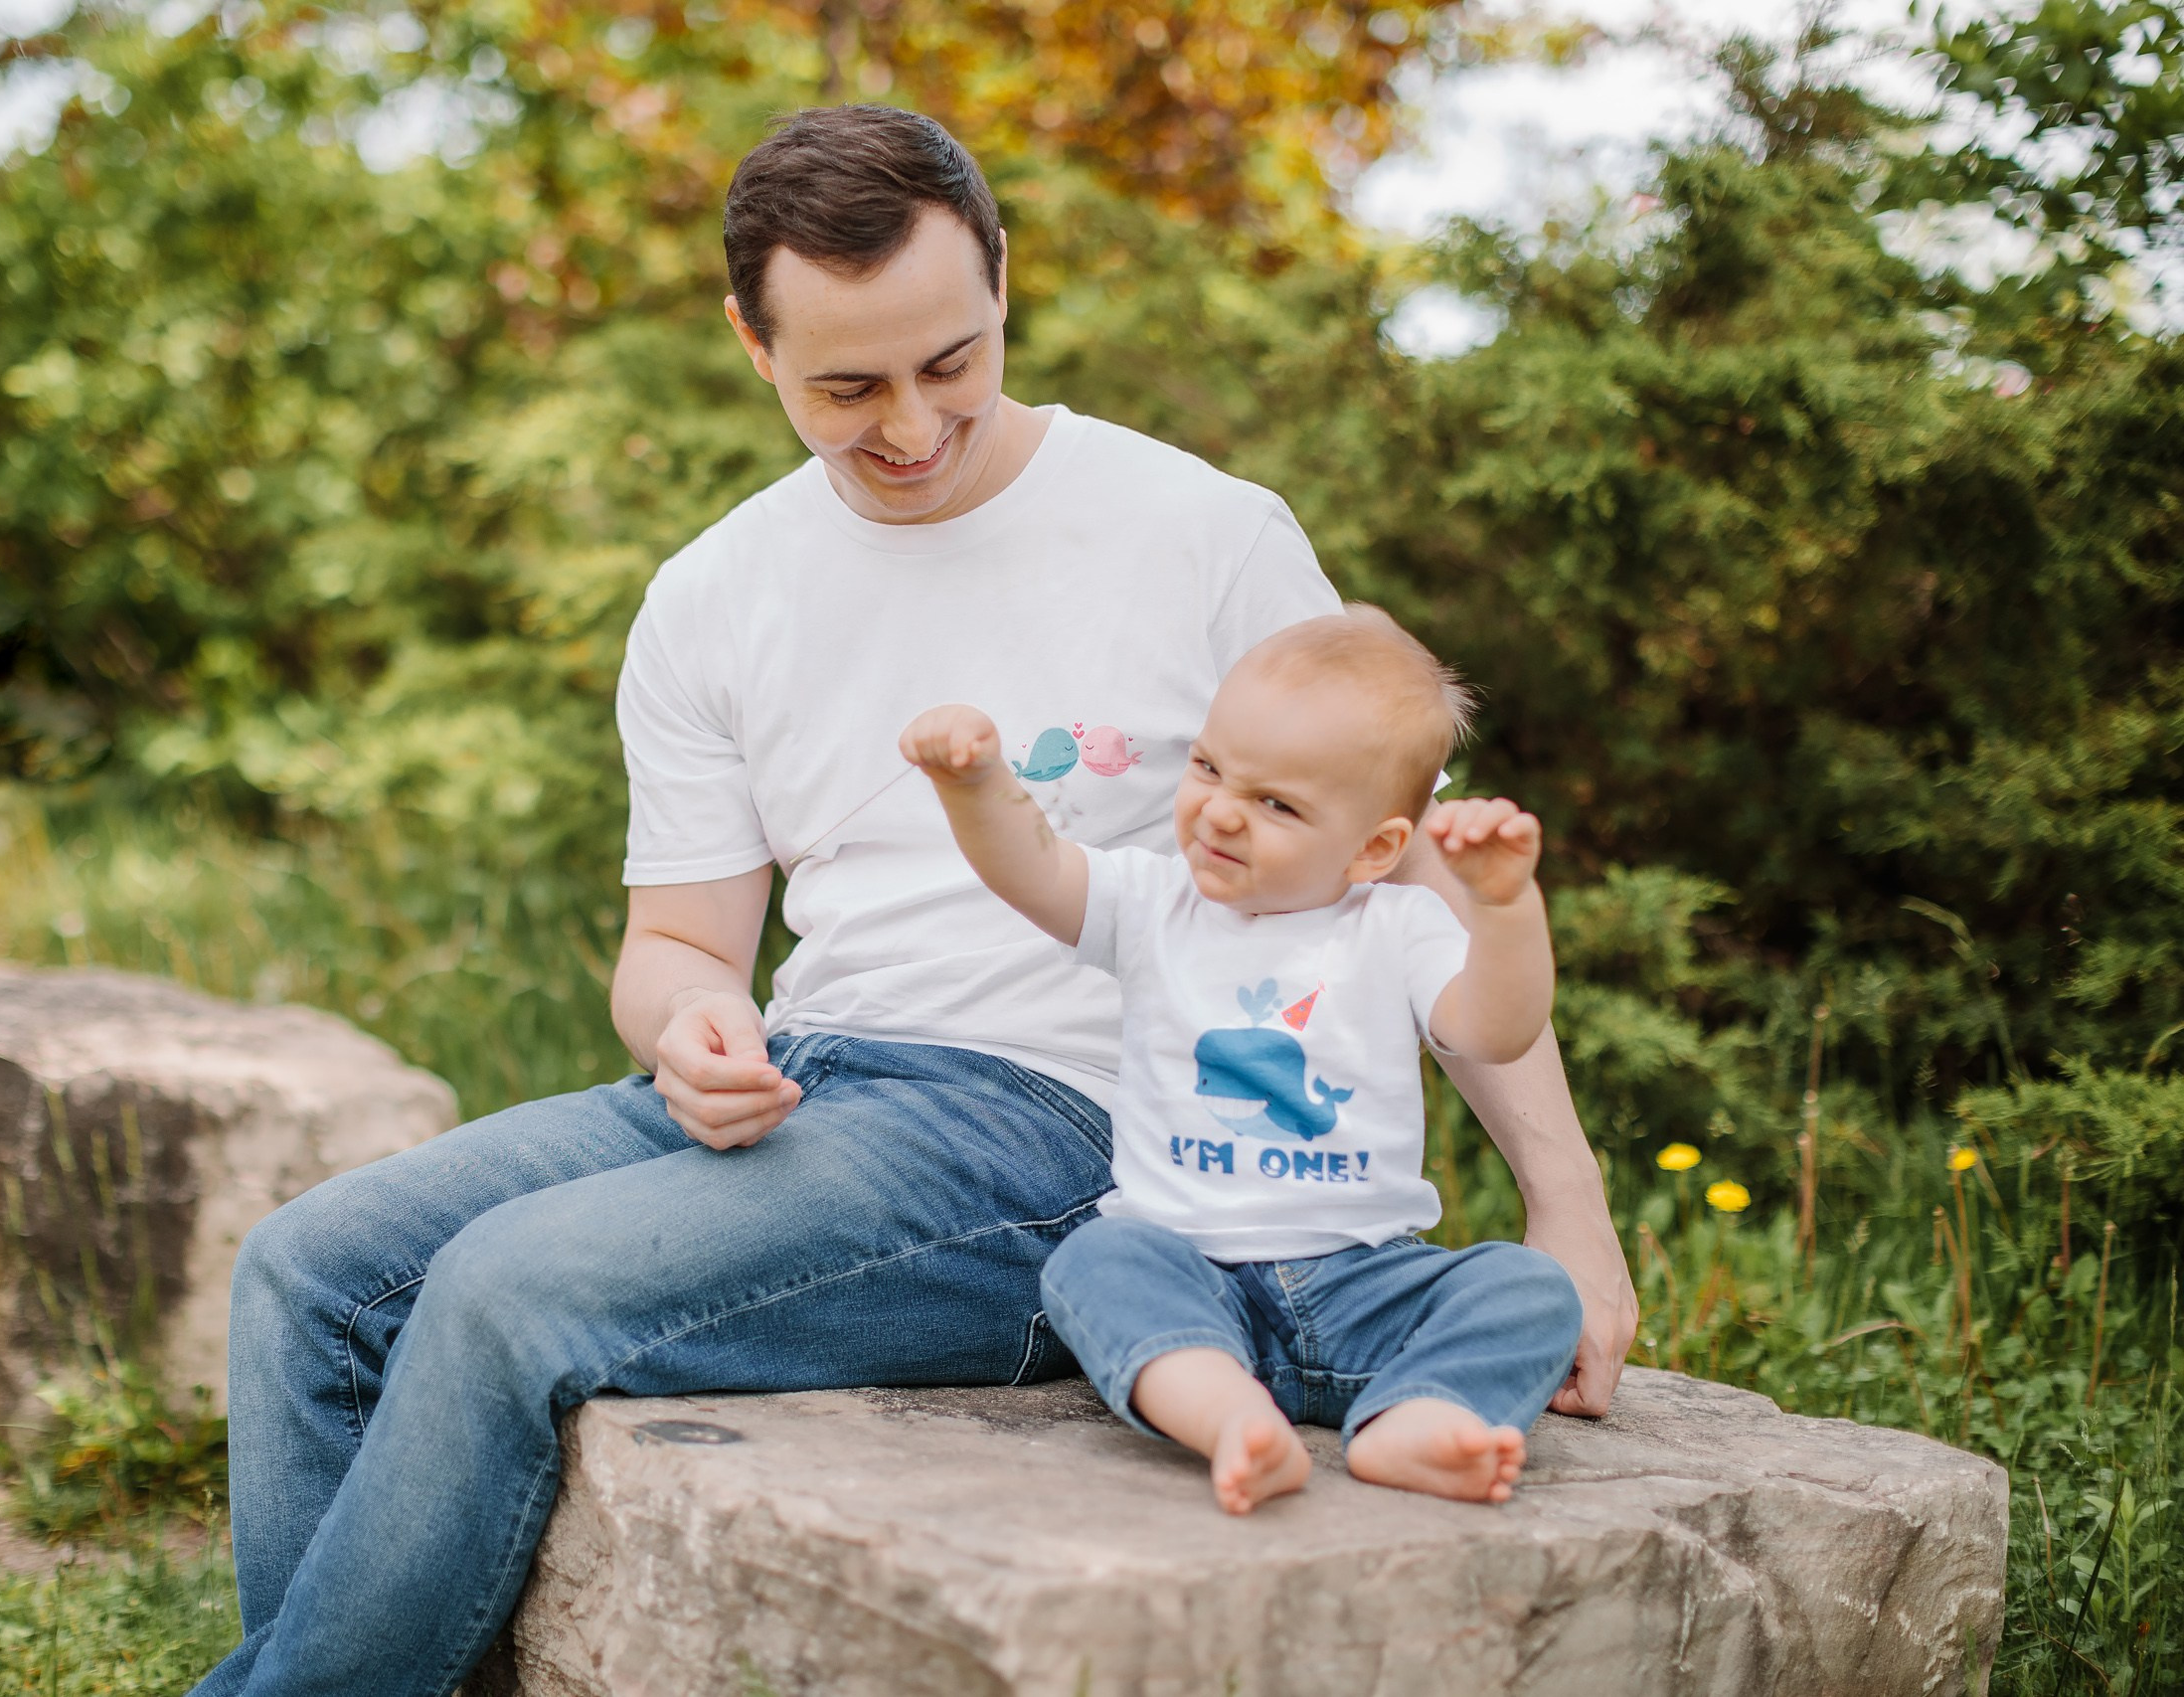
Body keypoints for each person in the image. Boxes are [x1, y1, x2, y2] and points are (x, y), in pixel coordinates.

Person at [191, 105, 1634, 1697]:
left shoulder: (1205, 534)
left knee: (509, 1289)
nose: (912, 426)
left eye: (951, 361)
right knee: (309, 1273)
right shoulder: (712, 595)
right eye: (847, 386)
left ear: (1001, 279)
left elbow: (1406, 882)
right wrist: (692, 1025)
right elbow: (677, 944)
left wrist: (1571, 1212)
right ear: (751, 340)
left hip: (1070, 1126)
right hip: (815, 1086)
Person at [901, 608, 1582, 1517]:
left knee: (1530, 1288)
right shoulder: (1152, 902)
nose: (1221, 809)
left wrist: (1505, 913)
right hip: (1191, 1274)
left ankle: (1416, 1418)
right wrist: (975, 786)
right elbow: (1036, 870)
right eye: (1211, 767)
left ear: (1376, 848)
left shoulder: (1399, 927)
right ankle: (1225, 1412)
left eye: (1278, 804)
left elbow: (1492, 1028)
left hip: (1365, 1277)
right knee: (1094, 1262)